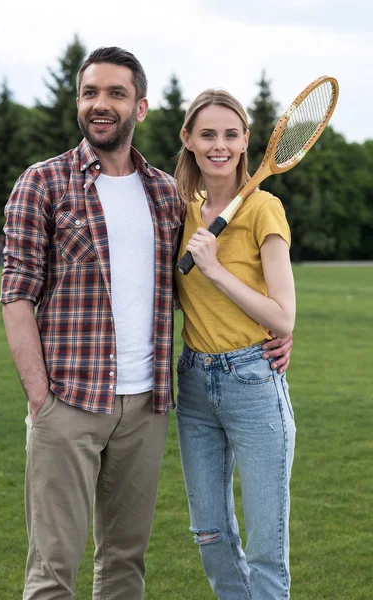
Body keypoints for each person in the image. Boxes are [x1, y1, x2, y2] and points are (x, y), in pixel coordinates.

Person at [0, 46, 292, 599]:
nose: (100, 104)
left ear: (141, 107)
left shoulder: (165, 195)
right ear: (79, 102)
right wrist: (40, 396)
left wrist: (277, 331)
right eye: (90, 93)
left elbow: (198, 292)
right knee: (52, 570)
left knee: (125, 565)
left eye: (116, 93)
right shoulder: (43, 183)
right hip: (68, 400)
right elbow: (16, 294)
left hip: (148, 407)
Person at [174, 88, 296, 599]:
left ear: (247, 140)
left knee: (267, 547)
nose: (219, 145)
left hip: (252, 381)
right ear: (188, 139)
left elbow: (283, 316)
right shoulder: (181, 208)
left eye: (230, 134)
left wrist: (216, 269)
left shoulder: (264, 207)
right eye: (207, 134)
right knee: (210, 535)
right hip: (195, 386)